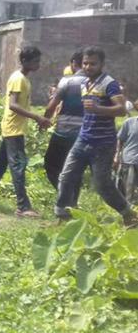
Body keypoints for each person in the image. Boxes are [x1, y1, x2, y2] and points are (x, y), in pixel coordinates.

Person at [55, 46, 136, 226]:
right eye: (85, 63)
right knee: (66, 176)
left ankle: (128, 214)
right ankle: (62, 215)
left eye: (93, 63)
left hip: (103, 144)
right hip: (83, 139)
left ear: (102, 64)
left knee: (102, 185)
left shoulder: (109, 84)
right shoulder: (85, 83)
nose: (88, 67)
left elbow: (122, 110)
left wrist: (99, 109)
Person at [0, 46, 51, 217]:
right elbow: (13, 104)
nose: (38, 64)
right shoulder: (18, 79)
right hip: (13, 128)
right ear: (25, 61)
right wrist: (37, 117)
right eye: (35, 61)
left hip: (14, 127)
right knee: (18, 166)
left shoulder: (23, 78)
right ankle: (23, 207)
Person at [43, 55, 85, 190]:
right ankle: (71, 199)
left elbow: (52, 105)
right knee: (75, 167)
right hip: (85, 133)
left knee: (51, 163)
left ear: (73, 63)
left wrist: (44, 120)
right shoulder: (96, 82)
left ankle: (63, 192)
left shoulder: (67, 81)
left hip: (64, 131)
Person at [117, 110, 138, 204]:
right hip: (130, 160)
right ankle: (129, 212)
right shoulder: (129, 122)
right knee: (128, 191)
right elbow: (120, 140)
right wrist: (116, 156)